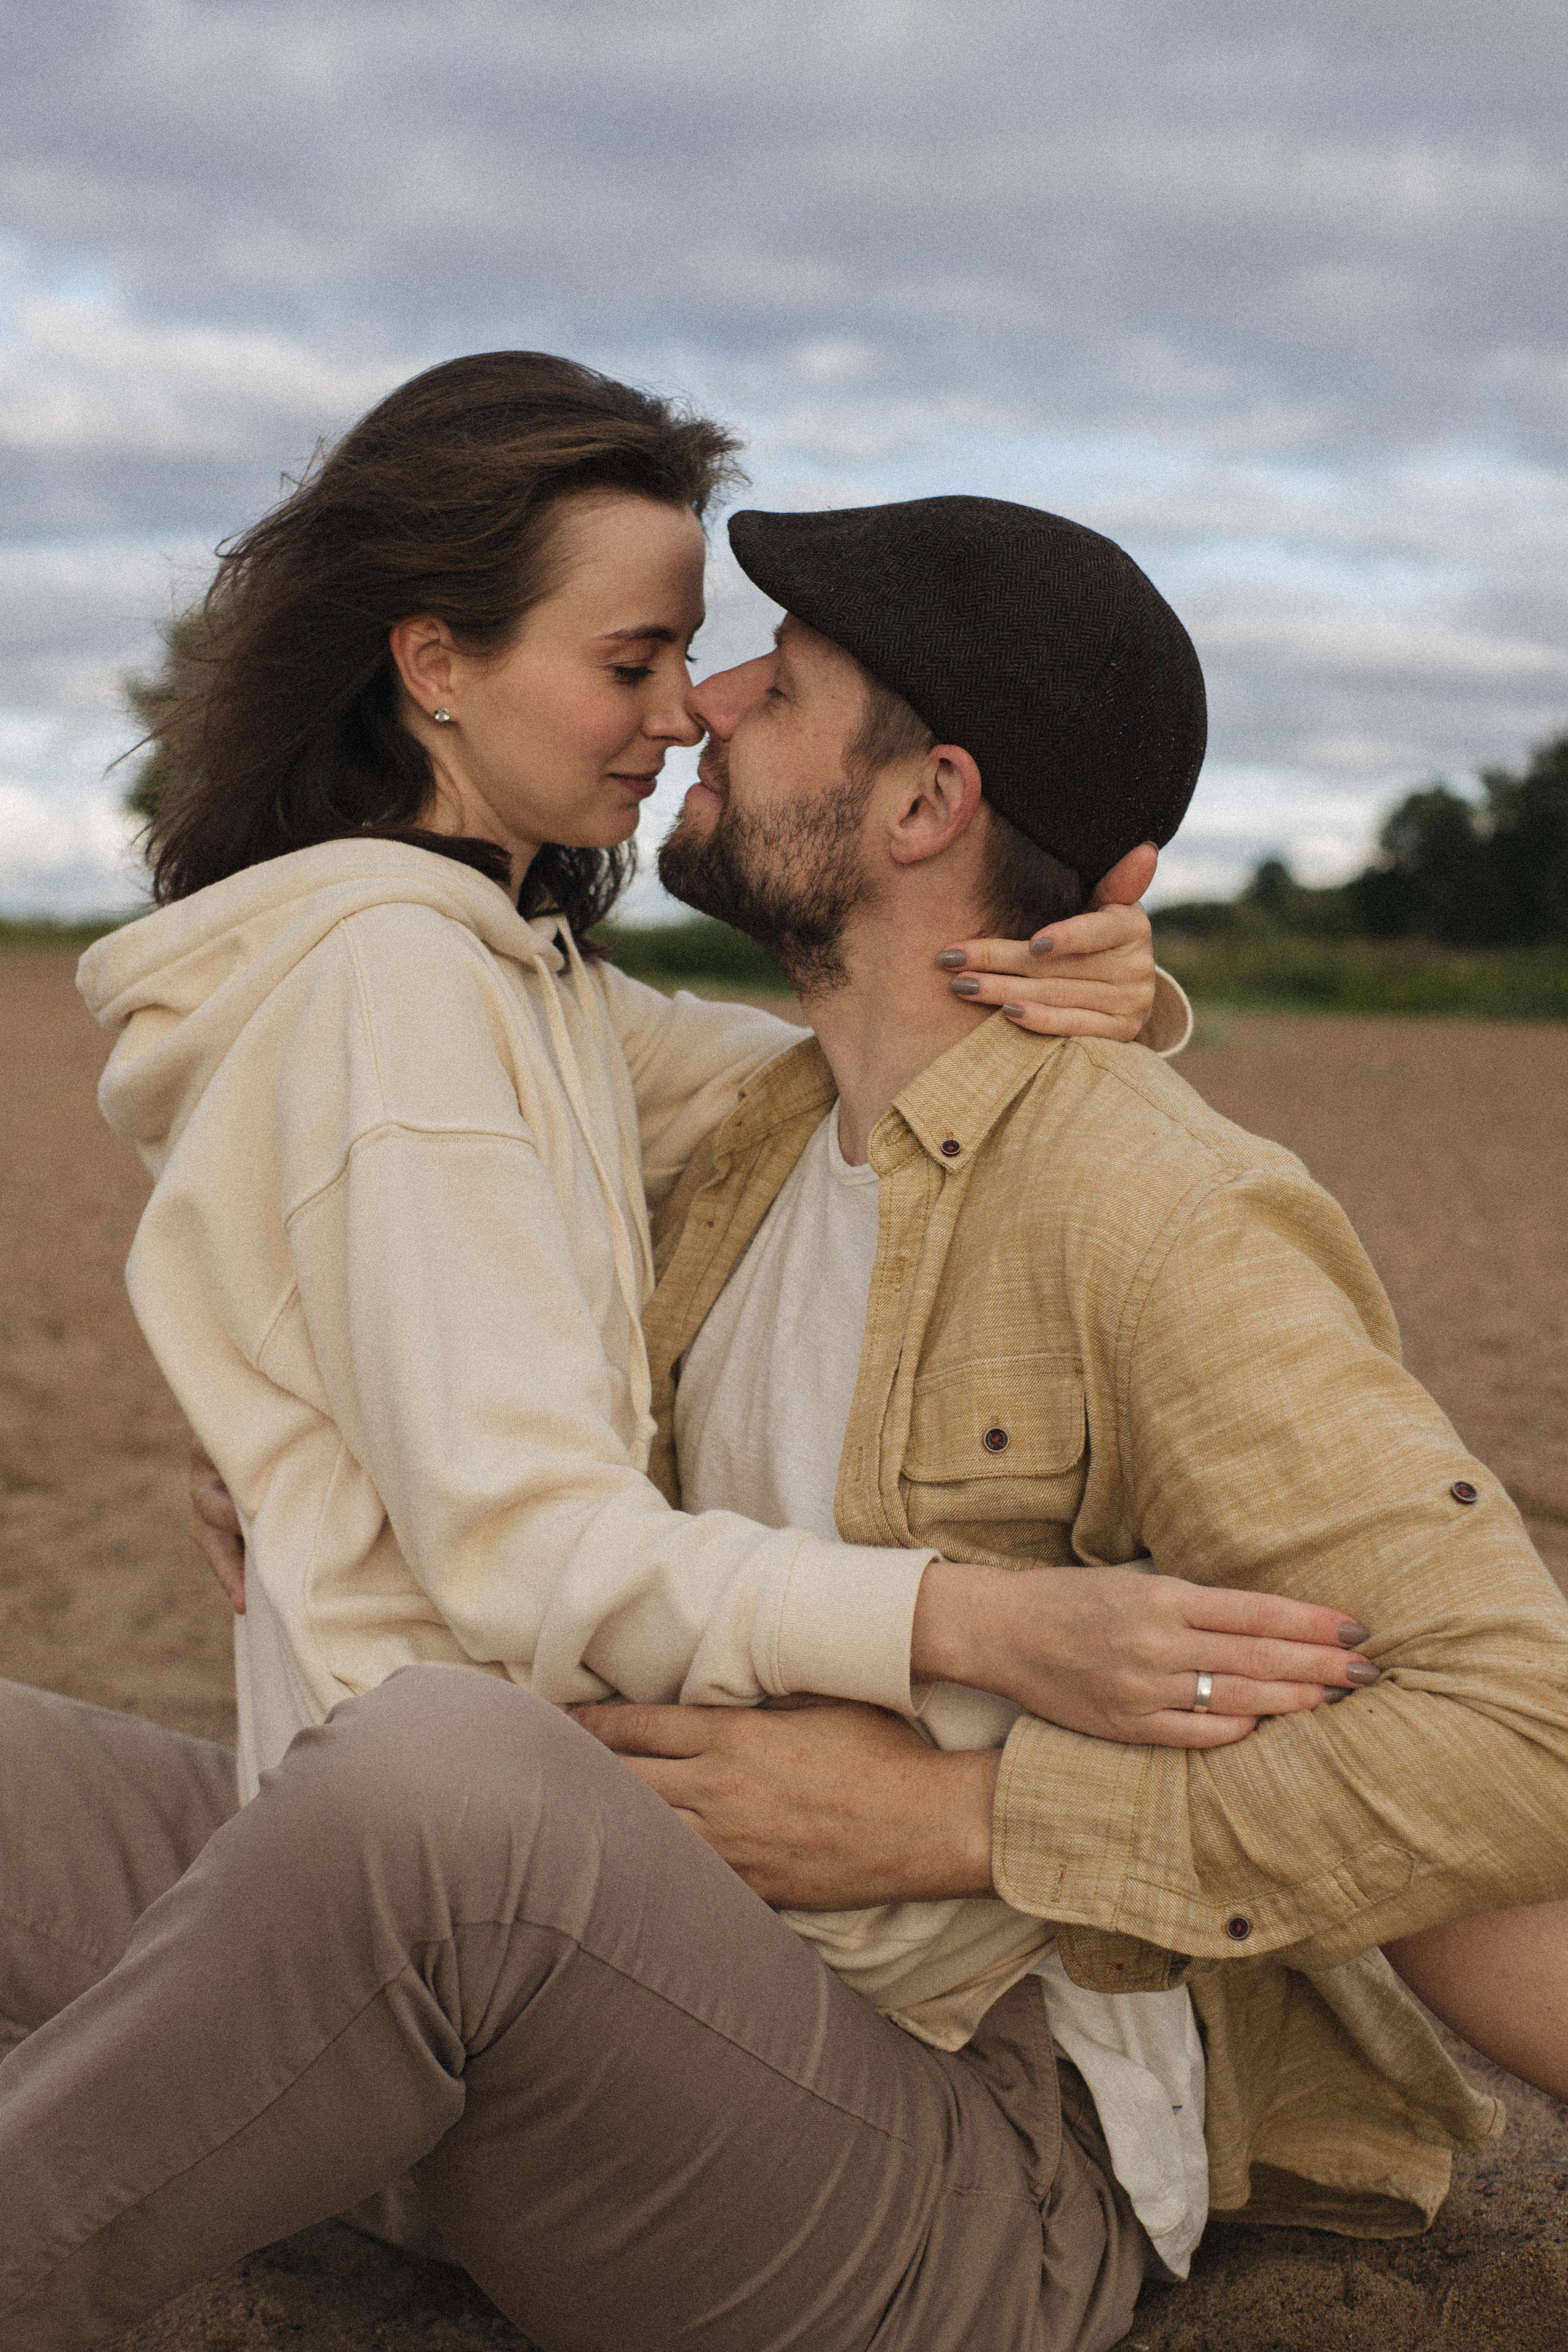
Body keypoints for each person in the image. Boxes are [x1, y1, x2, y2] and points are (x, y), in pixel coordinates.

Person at [1, 363, 1362, 2350]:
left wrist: (1075, 997)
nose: (683, 708)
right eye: (635, 655)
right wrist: (982, 1624)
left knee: (424, 1790)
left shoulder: (519, 983)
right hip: (530, 1966)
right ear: (434, 663)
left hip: (675, 2040)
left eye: (710, 663)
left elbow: (826, 1087)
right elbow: (539, 1566)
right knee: (418, 1779)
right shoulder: (398, 985)